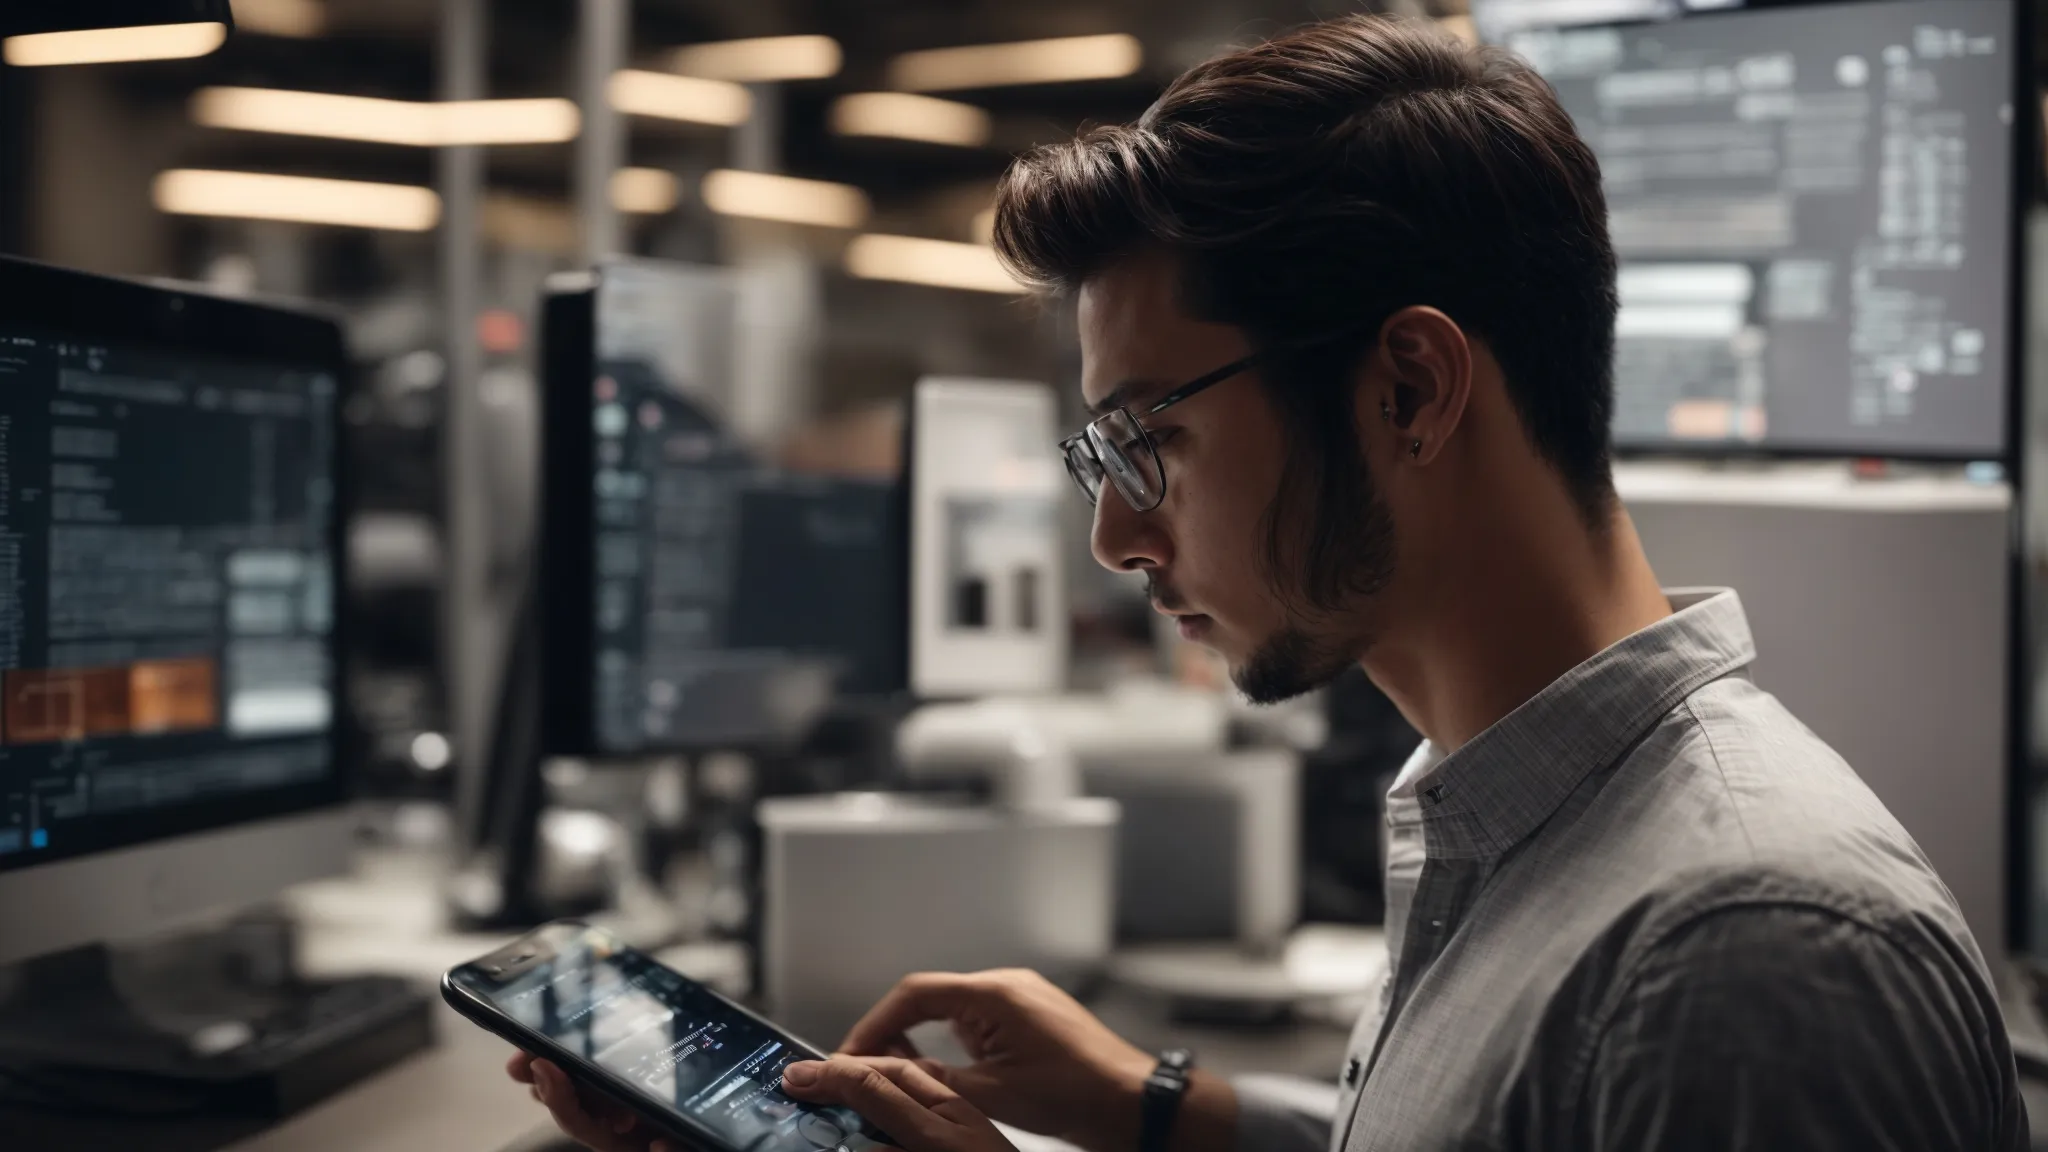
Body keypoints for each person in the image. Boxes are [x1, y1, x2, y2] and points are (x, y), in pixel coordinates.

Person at [516, 14, 2027, 1151]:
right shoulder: (1523, 815)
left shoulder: (1740, 960)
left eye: (1149, 437)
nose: (1114, 534)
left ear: (1412, 392)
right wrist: (1164, 1109)